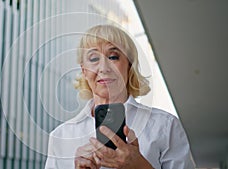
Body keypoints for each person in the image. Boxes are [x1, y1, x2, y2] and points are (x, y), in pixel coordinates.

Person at [45, 25, 195, 169]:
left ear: (129, 66)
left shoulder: (165, 126)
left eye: (113, 57)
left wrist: (140, 167)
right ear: (84, 71)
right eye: (93, 59)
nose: (104, 68)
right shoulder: (61, 136)